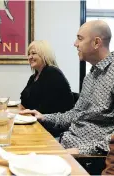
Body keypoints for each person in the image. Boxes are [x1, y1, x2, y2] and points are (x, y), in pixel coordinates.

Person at [20, 20, 114, 155]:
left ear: (96, 43)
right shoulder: (91, 75)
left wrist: (80, 151)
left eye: (80, 39)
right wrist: (44, 117)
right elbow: (75, 114)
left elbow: (112, 140)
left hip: (87, 156)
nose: (75, 44)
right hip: (65, 142)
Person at [19, 40, 74, 114]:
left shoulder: (52, 72)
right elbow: (24, 101)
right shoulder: (33, 77)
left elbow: (48, 106)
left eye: (33, 53)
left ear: (44, 55)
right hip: (38, 119)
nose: (30, 57)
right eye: (29, 54)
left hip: (55, 122)